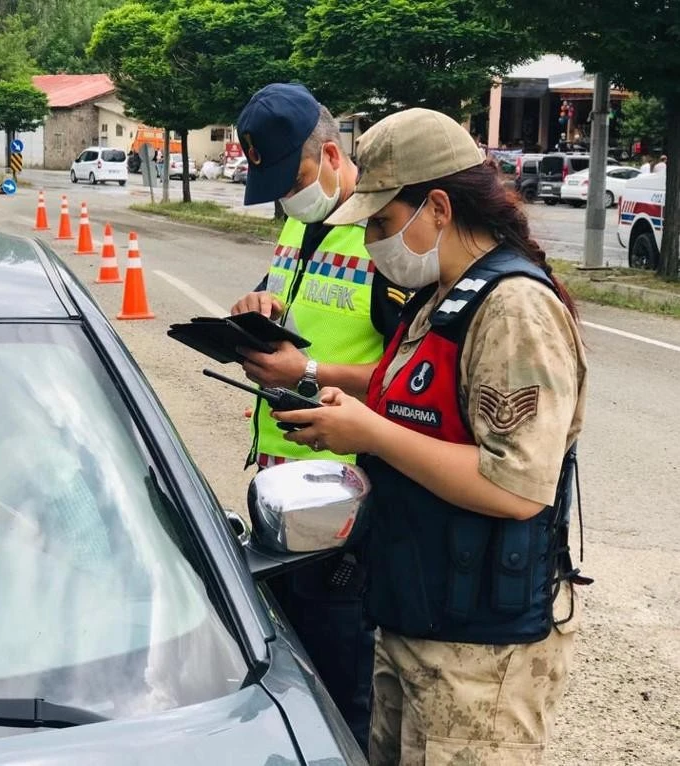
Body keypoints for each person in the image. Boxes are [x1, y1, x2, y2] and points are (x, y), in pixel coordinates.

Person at [274, 107, 590, 765]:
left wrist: (373, 434)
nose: (370, 247)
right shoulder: (436, 298)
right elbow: (420, 406)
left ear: (439, 208)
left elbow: (517, 487)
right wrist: (346, 408)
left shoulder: (514, 310)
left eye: (383, 225)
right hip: (413, 622)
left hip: (479, 656)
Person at [228, 82, 410, 754]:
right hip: (283, 487)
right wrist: (263, 307)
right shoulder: (302, 222)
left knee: (342, 686)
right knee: (293, 667)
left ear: (333, 155)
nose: (286, 197)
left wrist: (306, 374)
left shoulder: (387, 241)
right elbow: (307, 315)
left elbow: (410, 378)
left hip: (345, 501)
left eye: (293, 178)